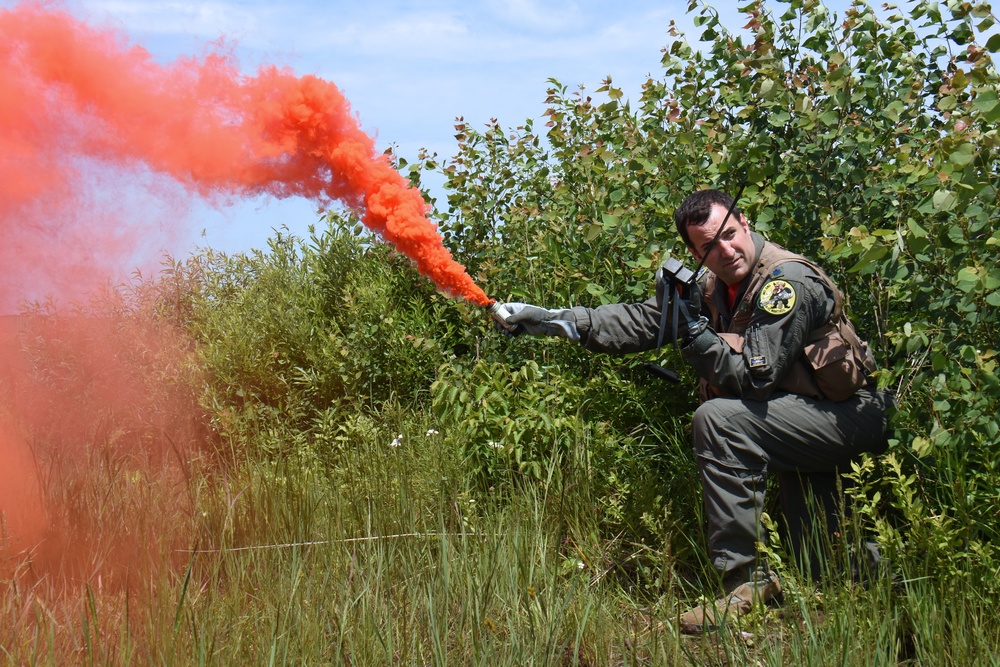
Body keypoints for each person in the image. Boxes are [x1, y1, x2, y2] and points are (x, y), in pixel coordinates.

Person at [499, 188, 894, 633]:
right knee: (828, 569)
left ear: (744, 222)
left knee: (720, 419)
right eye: (709, 246)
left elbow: (753, 378)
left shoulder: (785, 283)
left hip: (851, 417)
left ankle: (746, 585)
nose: (726, 251)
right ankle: (853, 569)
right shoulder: (714, 285)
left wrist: (693, 333)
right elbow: (643, 321)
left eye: (729, 235)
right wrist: (555, 321)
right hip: (802, 419)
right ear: (694, 252)